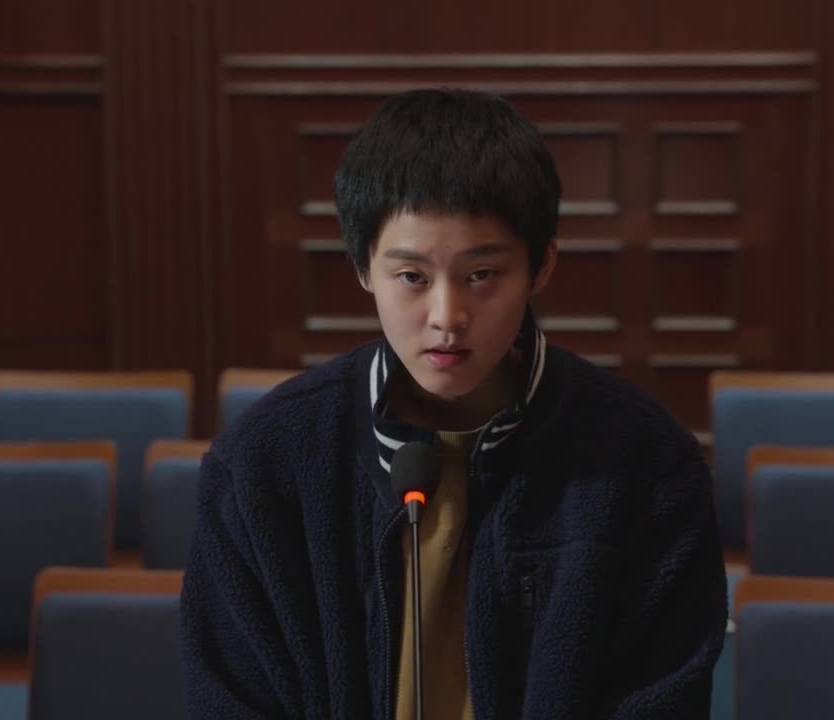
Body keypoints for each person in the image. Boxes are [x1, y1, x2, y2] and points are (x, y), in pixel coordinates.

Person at [180, 87, 727, 719]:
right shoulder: (262, 465)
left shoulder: (646, 465)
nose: (447, 317)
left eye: (482, 276)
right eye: (412, 277)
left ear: (542, 266)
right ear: (363, 267)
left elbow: (661, 700)